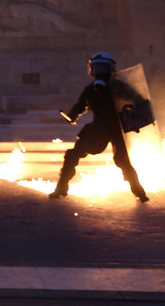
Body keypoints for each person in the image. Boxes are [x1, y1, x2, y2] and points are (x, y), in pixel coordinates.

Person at [50, 52, 148, 202]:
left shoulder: (120, 87)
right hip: (100, 128)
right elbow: (80, 105)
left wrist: (132, 114)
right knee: (73, 155)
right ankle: (61, 188)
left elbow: (139, 102)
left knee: (122, 160)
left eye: (103, 67)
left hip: (118, 127)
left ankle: (139, 192)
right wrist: (73, 115)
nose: (100, 71)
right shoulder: (91, 90)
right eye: (97, 67)